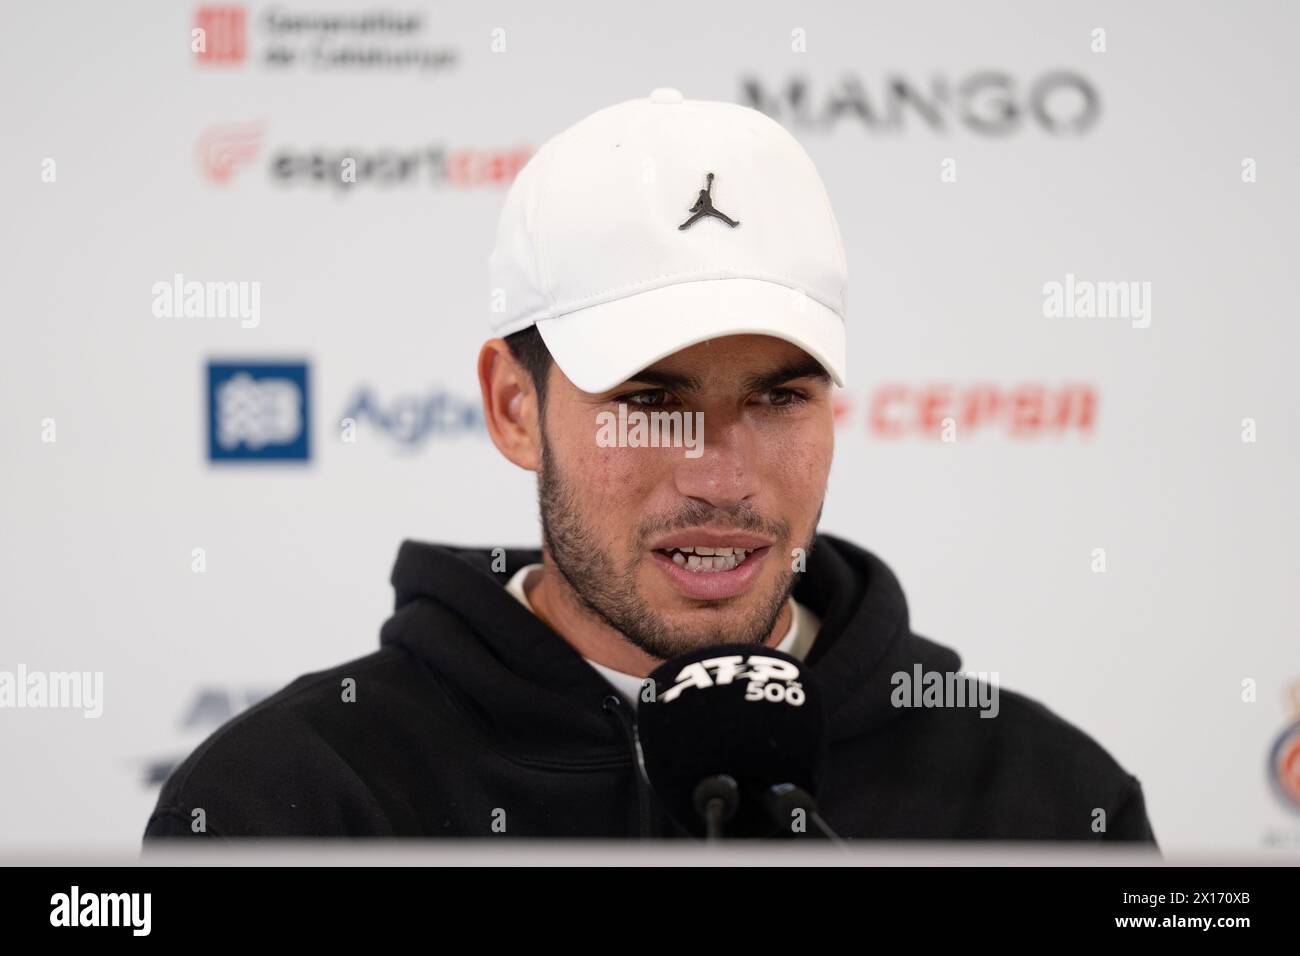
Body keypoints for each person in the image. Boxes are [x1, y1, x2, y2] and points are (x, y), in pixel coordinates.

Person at [143, 88, 1157, 842]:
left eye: (777, 397)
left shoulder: (1042, 803)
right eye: (649, 402)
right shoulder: (297, 804)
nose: (720, 475)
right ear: (513, 408)